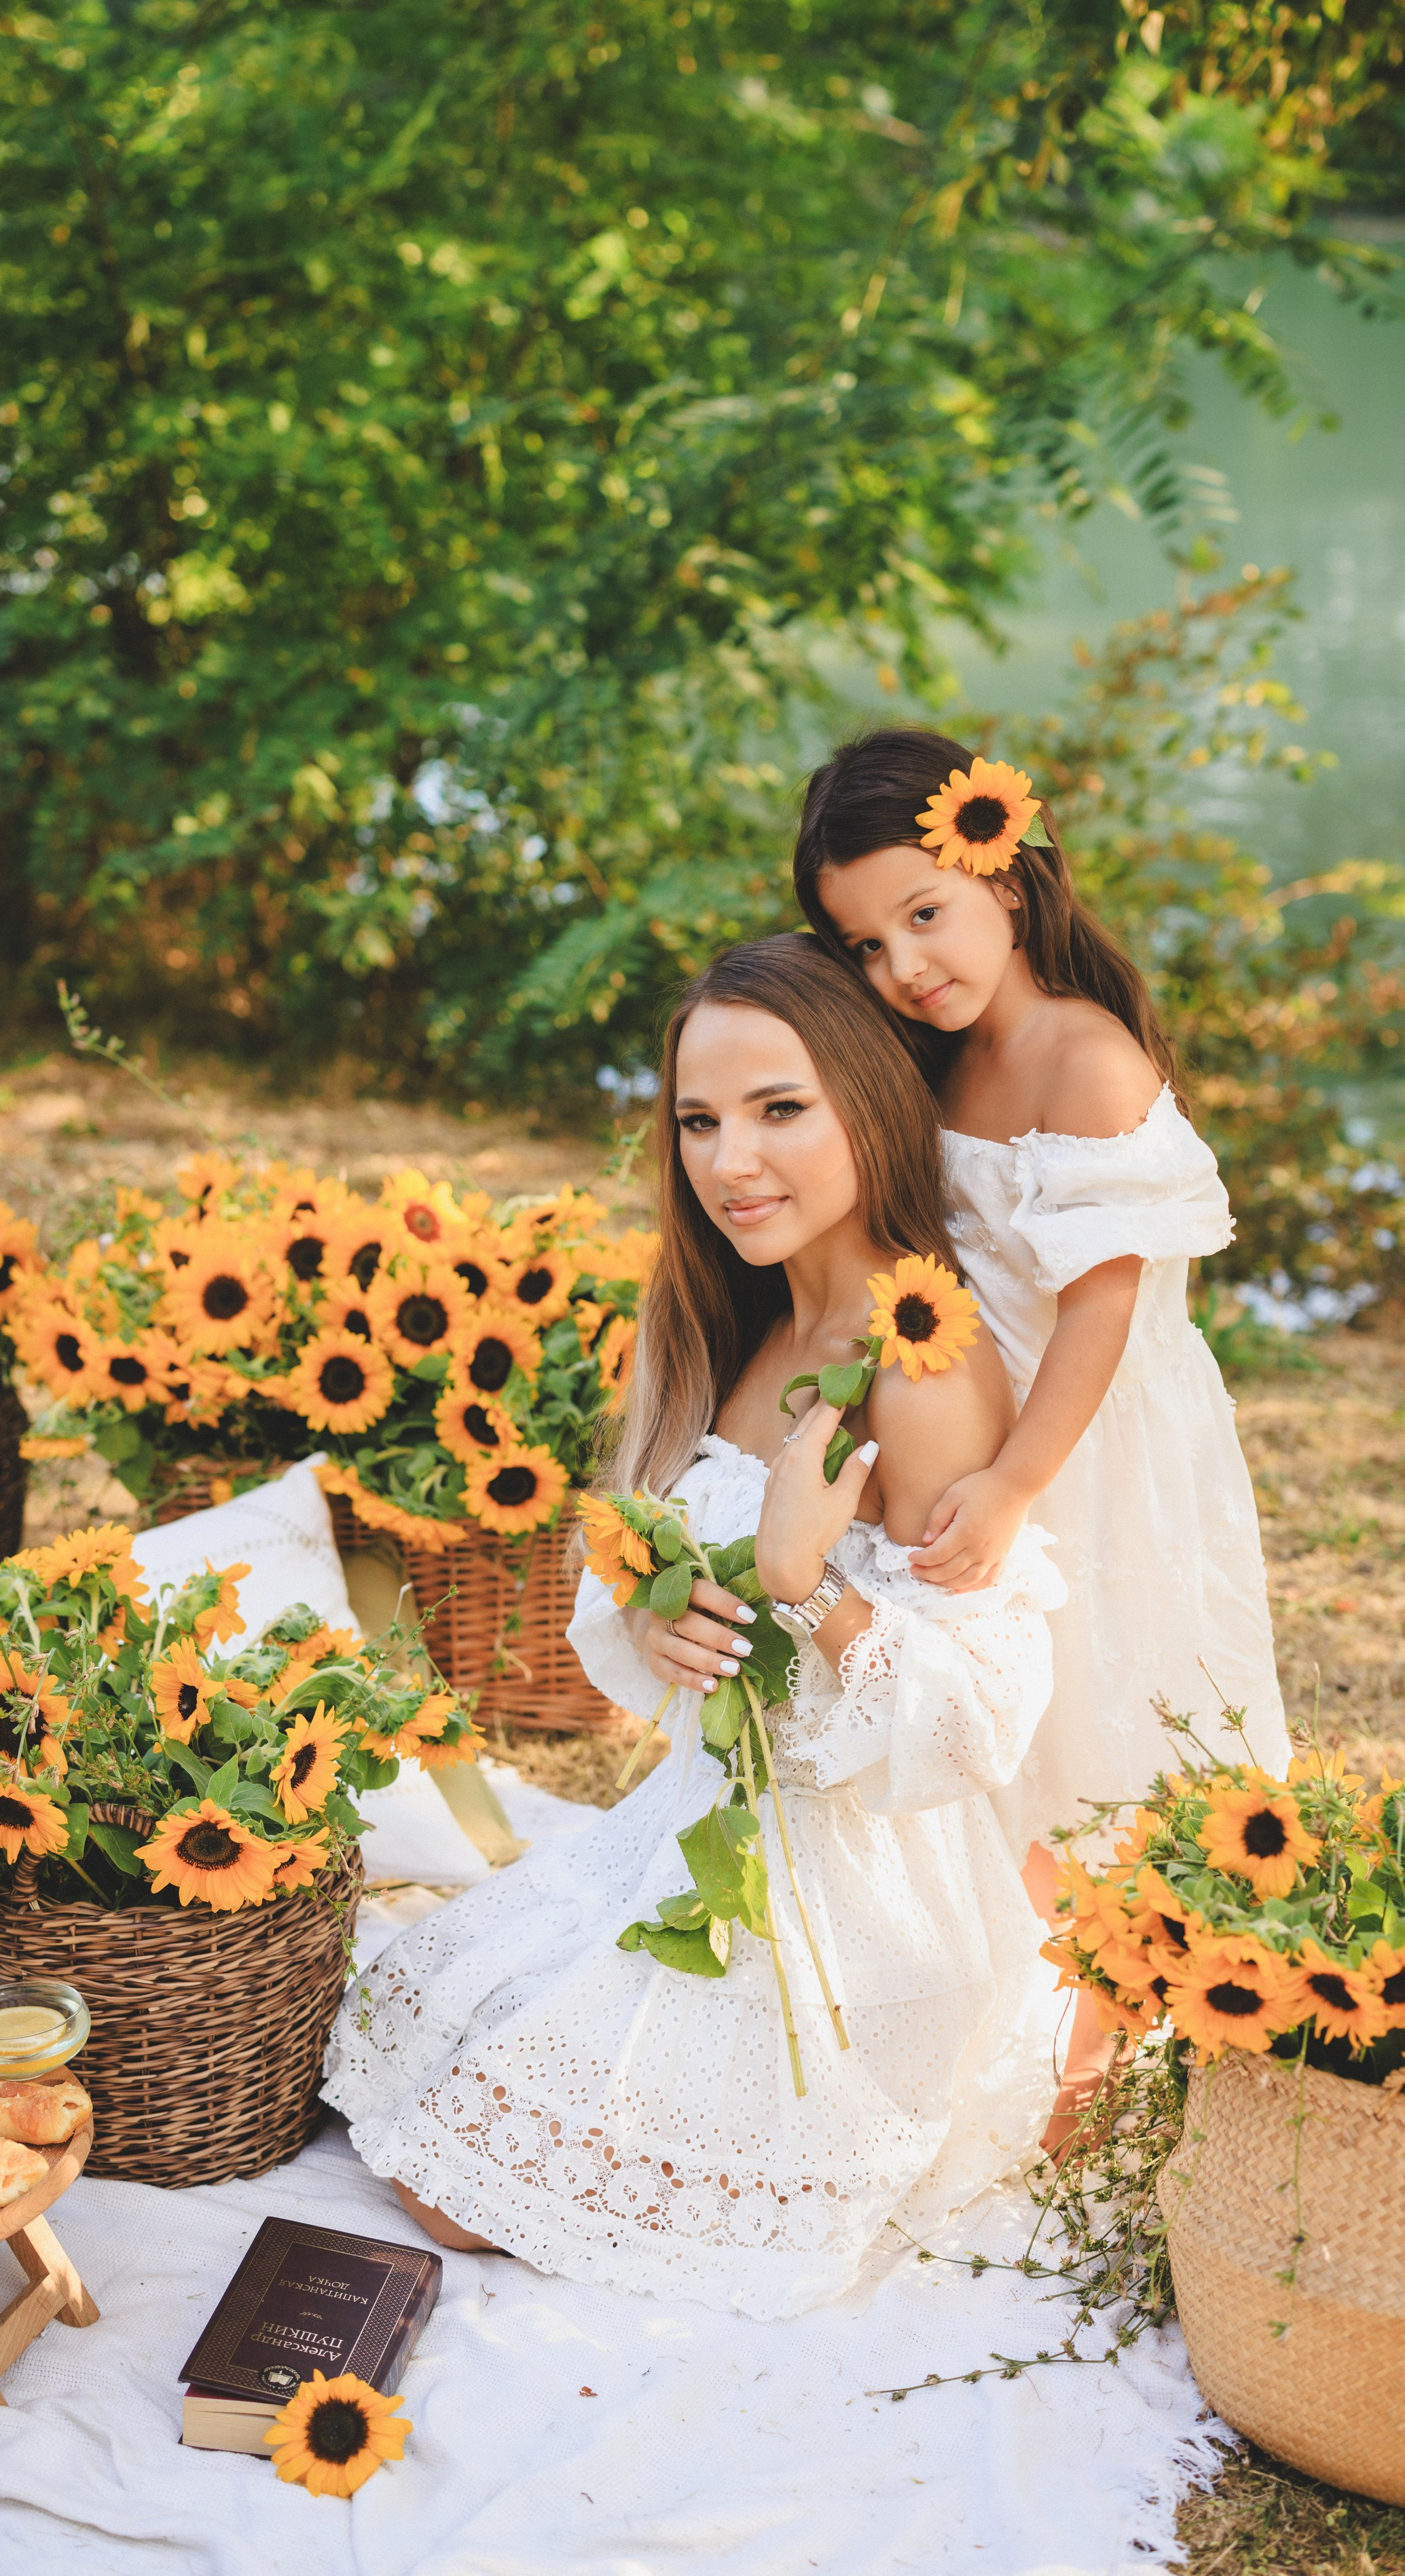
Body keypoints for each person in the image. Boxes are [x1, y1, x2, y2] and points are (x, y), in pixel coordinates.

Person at [323, 935, 1065, 2319]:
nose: (732, 1159)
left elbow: (980, 1715)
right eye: (699, 1119)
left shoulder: (917, 1361)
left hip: (850, 1895)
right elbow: (625, 1565)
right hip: (701, 1819)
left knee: (455, 2180)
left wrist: (809, 1583)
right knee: (390, 2026)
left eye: (780, 1109)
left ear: (869, 1103)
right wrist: (660, 1618)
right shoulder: (723, 1317)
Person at [793, 726, 1291, 2143]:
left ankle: (1099, 2044)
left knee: (1109, 1720)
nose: (902, 967)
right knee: (1011, 1725)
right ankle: (1019, 1989)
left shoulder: (1080, 1055)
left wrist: (1017, 1478)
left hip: (1091, 1450)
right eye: (867, 943)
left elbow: (1101, 1309)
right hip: (983, 1435)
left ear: (1007, 874)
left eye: (923, 915)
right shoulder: (935, 1057)